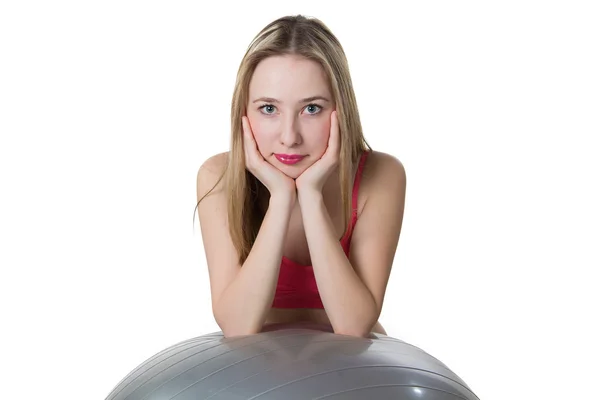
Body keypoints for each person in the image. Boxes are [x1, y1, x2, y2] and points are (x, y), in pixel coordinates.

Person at [194, 15, 406, 338]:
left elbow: (353, 326)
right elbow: (237, 326)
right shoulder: (217, 178)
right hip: (254, 377)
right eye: (269, 109)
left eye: (311, 109)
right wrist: (281, 198)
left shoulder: (382, 176)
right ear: (244, 112)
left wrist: (310, 194)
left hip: (352, 377)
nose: (289, 137)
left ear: (341, 110)